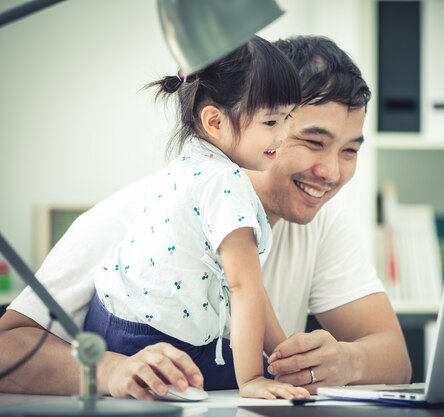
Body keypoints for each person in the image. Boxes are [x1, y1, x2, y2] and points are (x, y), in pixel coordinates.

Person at [0, 36, 412, 400]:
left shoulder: (321, 221)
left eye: (350, 151)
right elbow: (7, 350)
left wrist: (347, 360)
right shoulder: (132, 213)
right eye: (310, 140)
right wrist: (109, 370)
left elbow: (396, 358)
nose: (332, 172)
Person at [82, 35, 309, 400]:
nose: (284, 135)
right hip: (150, 341)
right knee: (279, 378)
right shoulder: (226, 181)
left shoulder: (189, 163)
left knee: (281, 371)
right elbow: (244, 287)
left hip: (106, 320)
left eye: (288, 118)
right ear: (215, 121)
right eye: (271, 121)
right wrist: (253, 378)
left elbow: (248, 286)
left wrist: (282, 354)